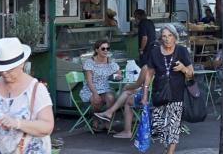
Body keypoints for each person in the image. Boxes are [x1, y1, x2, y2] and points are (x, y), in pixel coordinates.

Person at [0, 38, 55, 154]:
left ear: (21, 64)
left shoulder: (36, 89)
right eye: (1, 69)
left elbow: (47, 126)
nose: (4, 73)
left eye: (10, 69)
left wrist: (17, 123)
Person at [139, 26, 196, 154]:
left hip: (177, 94)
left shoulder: (181, 51)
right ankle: (167, 149)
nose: (167, 39)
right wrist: (145, 94)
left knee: (174, 127)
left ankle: (170, 152)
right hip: (159, 94)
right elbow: (149, 74)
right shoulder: (155, 52)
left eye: (170, 36)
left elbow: (191, 74)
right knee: (160, 127)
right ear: (161, 38)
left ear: (175, 37)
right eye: (164, 36)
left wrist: (183, 68)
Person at [79, 40, 135, 136]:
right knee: (95, 99)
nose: (106, 51)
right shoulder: (90, 62)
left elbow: (119, 73)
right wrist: (95, 93)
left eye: (107, 48)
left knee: (110, 97)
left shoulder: (110, 61)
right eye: (103, 48)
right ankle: (95, 120)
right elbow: (89, 81)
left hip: (105, 88)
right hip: (91, 88)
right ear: (97, 50)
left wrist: (118, 75)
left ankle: (107, 122)